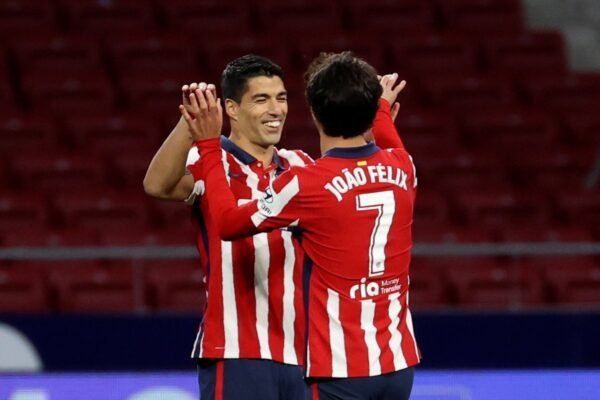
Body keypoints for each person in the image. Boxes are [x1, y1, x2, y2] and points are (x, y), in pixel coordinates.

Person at [144, 54, 405, 400]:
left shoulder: (302, 165)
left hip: (307, 353)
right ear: (232, 109)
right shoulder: (212, 162)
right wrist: (192, 123)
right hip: (238, 351)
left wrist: (365, 135)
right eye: (261, 99)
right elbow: (157, 185)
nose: (276, 110)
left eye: (281, 98)